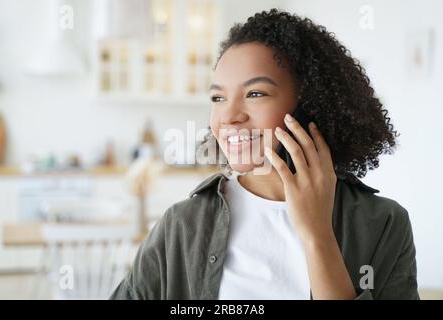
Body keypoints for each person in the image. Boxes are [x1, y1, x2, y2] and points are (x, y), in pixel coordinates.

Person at [110, 8, 419, 300]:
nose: (228, 116)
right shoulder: (182, 224)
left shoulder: (383, 224)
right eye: (218, 97)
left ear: (310, 104)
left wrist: (318, 236)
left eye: (255, 93)